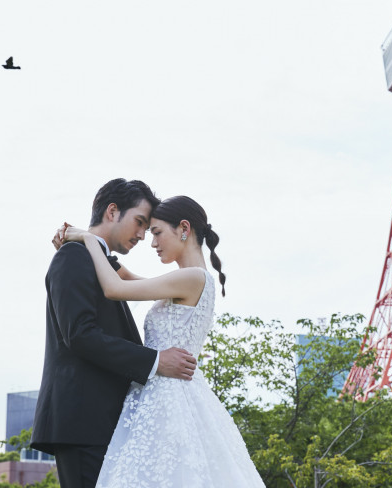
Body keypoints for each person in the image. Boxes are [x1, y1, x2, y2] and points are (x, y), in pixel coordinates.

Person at [60, 195, 266, 488]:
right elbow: (127, 276)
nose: (152, 242)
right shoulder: (187, 279)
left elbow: (114, 287)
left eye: (156, 232)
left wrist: (88, 239)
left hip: (167, 396)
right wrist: (85, 239)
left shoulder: (193, 277)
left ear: (184, 228)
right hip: (163, 392)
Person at [31, 179, 198, 488]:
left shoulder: (95, 259)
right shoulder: (72, 257)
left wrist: (85, 237)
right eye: (139, 222)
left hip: (105, 422)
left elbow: (122, 278)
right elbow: (79, 334)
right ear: (112, 211)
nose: (141, 235)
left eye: (148, 229)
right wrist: (155, 361)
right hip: (83, 424)